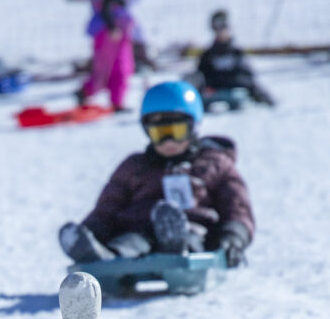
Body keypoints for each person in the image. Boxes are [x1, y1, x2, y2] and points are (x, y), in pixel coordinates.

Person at [58, 81, 255, 269]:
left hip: (194, 231)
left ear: (193, 127)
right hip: (138, 229)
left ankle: (176, 246)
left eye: (176, 132)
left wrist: (233, 237)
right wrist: (93, 232)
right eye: (160, 134)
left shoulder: (214, 164)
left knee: (188, 238)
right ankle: (106, 259)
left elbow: (237, 207)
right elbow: (108, 206)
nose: (168, 141)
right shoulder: (134, 167)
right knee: (130, 243)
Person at [74, 0, 155, 111]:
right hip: (111, 36)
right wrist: (112, 28)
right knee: (113, 69)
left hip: (117, 35)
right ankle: (92, 92)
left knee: (117, 68)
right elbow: (107, 8)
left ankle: (100, 95)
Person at [193, 9, 275, 110]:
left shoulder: (236, 53)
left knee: (238, 98)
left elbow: (248, 78)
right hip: (213, 94)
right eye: (216, 28)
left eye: (222, 26)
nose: (220, 32)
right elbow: (200, 76)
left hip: (235, 93)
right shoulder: (208, 55)